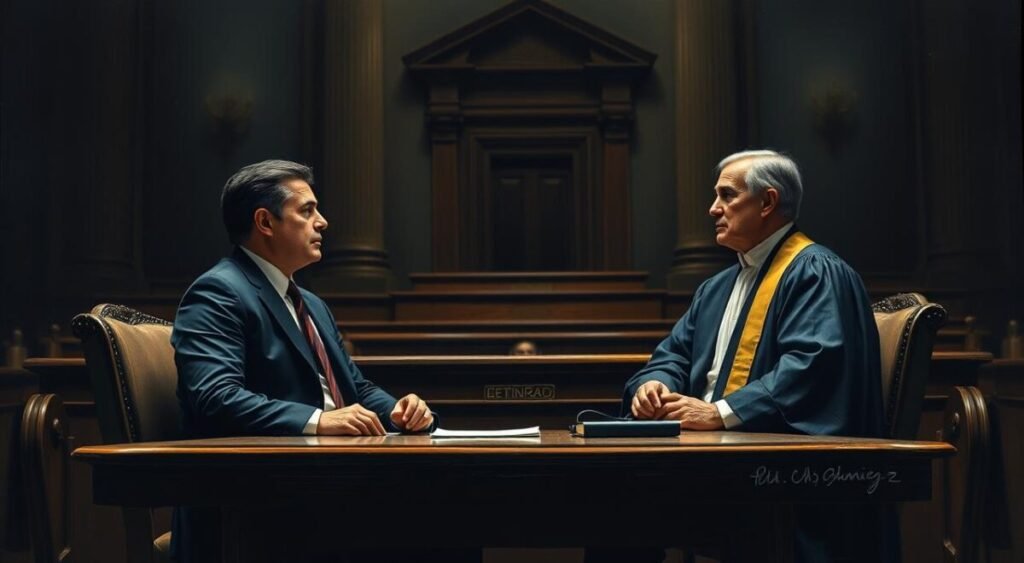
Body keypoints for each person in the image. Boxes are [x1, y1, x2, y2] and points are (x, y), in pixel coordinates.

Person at [619, 150, 891, 562]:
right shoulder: (716, 288)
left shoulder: (815, 272)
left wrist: (719, 413)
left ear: (767, 202)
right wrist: (653, 385)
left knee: (620, 505)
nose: (713, 209)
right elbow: (673, 355)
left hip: (779, 477)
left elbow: (813, 368)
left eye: (727, 196)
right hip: (711, 458)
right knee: (612, 500)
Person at [170, 160, 437, 562]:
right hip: (259, 503)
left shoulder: (310, 302)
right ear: (265, 222)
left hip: (325, 486)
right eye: (307, 210)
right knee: (438, 525)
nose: (323, 222)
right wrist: (317, 420)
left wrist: (400, 412)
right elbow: (215, 397)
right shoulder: (218, 291)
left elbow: (354, 387)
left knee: (446, 516)